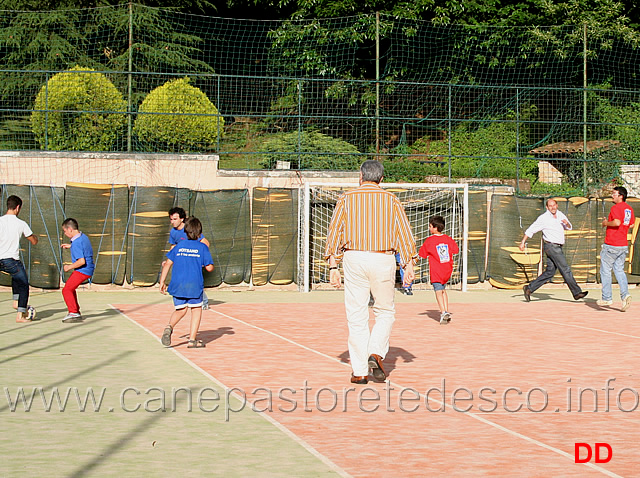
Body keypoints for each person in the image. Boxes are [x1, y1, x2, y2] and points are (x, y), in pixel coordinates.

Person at [325, 160, 417, 385]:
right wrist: (408, 265)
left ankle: (359, 372)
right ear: (382, 179)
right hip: (383, 257)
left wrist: (332, 265)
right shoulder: (392, 200)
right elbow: (404, 233)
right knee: (385, 311)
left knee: (356, 315)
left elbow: (335, 231)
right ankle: (375, 352)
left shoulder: (346, 199)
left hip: (353, 257)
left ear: (360, 176)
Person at [159, 216, 214, 348]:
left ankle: (169, 327)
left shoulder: (178, 246)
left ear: (185, 232)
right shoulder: (202, 247)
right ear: (199, 233)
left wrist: (162, 282)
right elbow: (209, 267)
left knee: (180, 310)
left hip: (177, 284)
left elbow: (167, 264)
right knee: (196, 309)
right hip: (194, 285)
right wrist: (203, 264)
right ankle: (192, 340)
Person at [519, 198, 588, 302]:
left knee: (550, 272)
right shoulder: (543, 218)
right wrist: (523, 242)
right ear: (547, 207)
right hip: (551, 247)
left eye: (554, 205)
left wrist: (567, 223)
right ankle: (577, 293)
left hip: (558, 246)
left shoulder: (560, 214)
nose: (552, 207)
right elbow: (531, 229)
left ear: (557, 205)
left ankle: (529, 288)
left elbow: (569, 227)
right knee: (565, 269)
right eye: (550, 206)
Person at [0, 195, 38, 323]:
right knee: (23, 284)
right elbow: (33, 241)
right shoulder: (21, 223)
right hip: (11, 261)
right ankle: (20, 315)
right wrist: (35, 238)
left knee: (16, 277)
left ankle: (16, 302)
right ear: (17, 208)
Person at [598, 186, 635, 311]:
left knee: (605, 270)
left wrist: (605, 223)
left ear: (621, 196)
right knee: (619, 270)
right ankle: (625, 295)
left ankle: (607, 297)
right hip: (623, 244)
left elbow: (617, 222)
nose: (612, 195)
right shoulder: (629, 209)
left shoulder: (616, 208)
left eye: (614, 194)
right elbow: (632, 224)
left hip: (612, 243)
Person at [167, 207, 211, 310]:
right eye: (171, 219)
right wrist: (169, 260)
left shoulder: (190, 230)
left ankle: (203, 302)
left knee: (194, 281)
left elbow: (206, 244)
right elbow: (173, 247)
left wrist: (201, 258)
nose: (172, 221)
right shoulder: (173, 232)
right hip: (183, 261)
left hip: (193, 260)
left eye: (175, 219)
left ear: (182, 219)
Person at [418, 215, 459, 324]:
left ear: (435, 227)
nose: (429, 228)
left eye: (430, 226)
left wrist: (413, 260)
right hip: (447, 270)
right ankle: (446, 310)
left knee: (438, 291)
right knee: (443, 290)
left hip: (436, 271)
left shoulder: (430, 240)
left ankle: (443, 312)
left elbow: (422, 254)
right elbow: (456, 250)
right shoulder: (448, 239)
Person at [60, 218, 94, 323]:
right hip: (88, 268)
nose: (65, 234)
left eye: (65, 231)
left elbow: (81, 261)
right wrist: (71, 246)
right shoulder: (83, 237)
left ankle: (74, 312)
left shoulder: (77, 242)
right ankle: (75, 311)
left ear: (70, 229)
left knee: (66, 290)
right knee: (70, 288)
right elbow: (82, 247)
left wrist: (68, 267)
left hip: (83, 270)